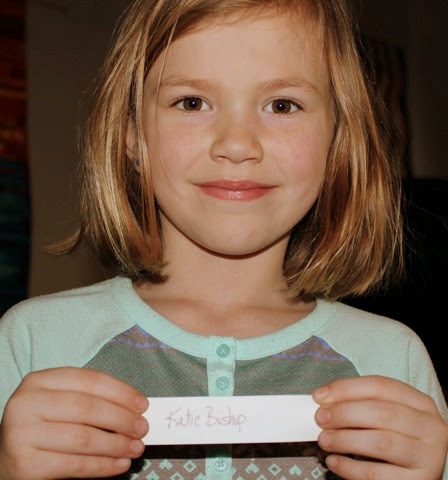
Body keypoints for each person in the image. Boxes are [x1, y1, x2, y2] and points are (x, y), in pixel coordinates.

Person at [0, 0, 447, 478]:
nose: (237, 145)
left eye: (282, 105)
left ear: (336, 138)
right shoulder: (34, 344)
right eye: (192, 103)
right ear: (132, 135)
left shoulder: (392, 362)